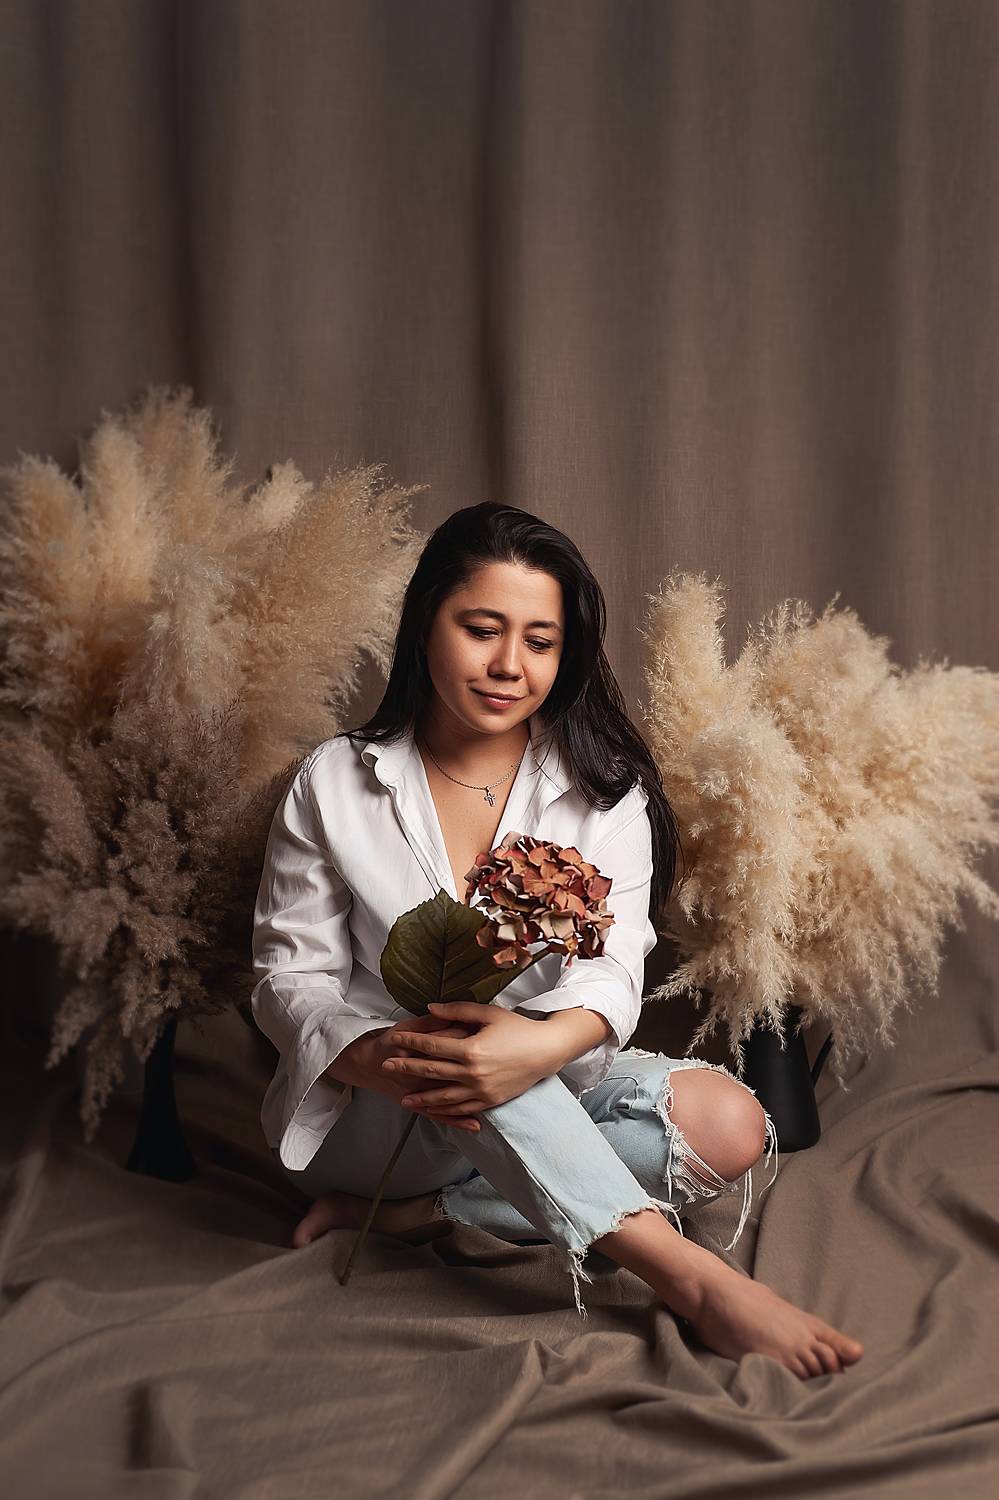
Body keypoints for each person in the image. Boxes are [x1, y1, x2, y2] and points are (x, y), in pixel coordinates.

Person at [250, 501, 864, 1380]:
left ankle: (419, 1216)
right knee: (459, 1047)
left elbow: (612, 970)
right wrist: (391, 1058)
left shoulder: (603, 791)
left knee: (727, 1127)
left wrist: (534, 1047)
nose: (510, 665)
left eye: (539, 641)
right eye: (481, 630)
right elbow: (287, 979)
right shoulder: (336, 780)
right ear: (425, 625)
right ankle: (690, 1279)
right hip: (380, 1106)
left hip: (541, 1074)